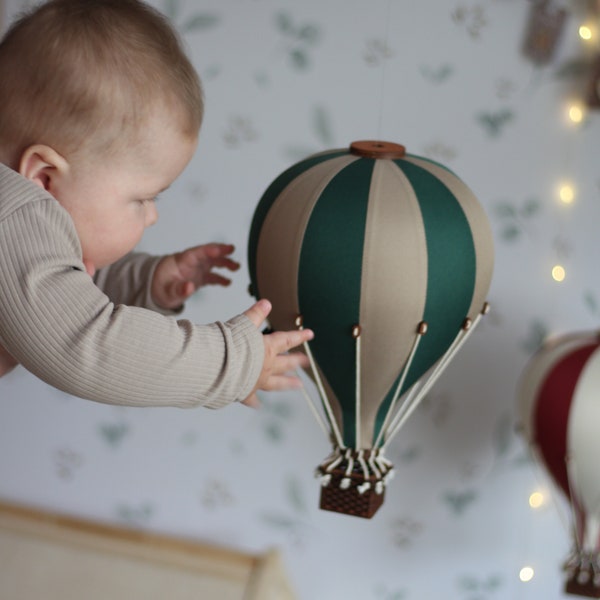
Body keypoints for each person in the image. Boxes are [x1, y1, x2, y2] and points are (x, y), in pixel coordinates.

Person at [0, 0, 313, 409]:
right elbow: (87, 345)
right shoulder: (14, 213)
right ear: (44, 178)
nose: (153, 215)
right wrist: (233, 363)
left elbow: (63, 291)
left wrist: (147, 281)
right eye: (143, 198)